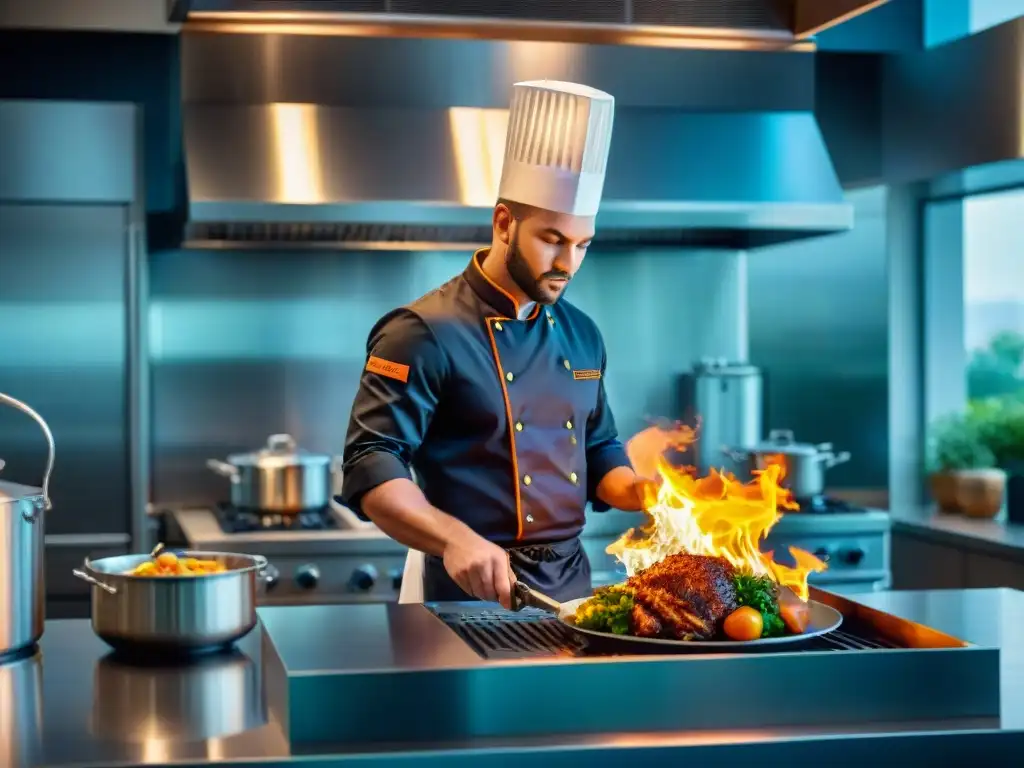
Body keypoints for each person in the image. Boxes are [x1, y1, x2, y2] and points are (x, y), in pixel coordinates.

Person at [338, 80, 653, 609]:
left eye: (582, 245)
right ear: (504, 223)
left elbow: (599, 450)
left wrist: (646, 494)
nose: (567, 264)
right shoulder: (420, 331)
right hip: (461, 588)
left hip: (572, 589)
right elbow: (372, 463)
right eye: (552, 239)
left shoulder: (582, 334)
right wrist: (453, 537)